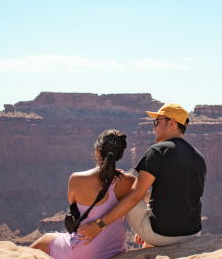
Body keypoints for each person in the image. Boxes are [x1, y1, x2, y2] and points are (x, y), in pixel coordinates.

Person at [78, 103, 206, 247]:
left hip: (162, 235)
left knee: (125, 187)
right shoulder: (198, 156)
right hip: (193, 233)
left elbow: (135, 196)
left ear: (172, 123)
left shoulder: (158, 151)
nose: (154, 128)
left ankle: (98, 246)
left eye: (157, 122)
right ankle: (148, 240)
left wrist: (99, 224)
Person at [29, 129, 136, 259]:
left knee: (44, 240)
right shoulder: (129, 181)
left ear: (97, 152)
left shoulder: (77, 179)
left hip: (86, 252)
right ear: (120, 154)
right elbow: (142, 197)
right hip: (114, 248)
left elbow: (72, 202)